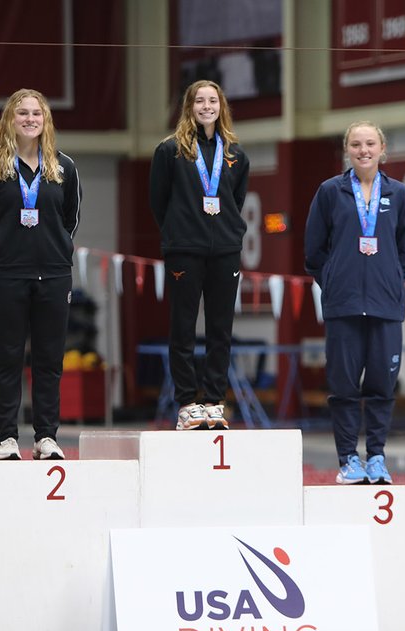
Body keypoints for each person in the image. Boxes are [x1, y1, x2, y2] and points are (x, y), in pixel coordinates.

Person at [0, 88, 82, 460]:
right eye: (23, 114)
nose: (30, 119)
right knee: (9, 358)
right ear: (10, 121)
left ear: (46, 120)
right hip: (7, 276)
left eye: (37, 113)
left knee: (49, 359)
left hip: (54, 275)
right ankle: (7, 438)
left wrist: (58, 251)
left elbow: (71, 219)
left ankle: (46, 437)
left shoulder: (64, 168)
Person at [304, 121, 405, 485]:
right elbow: (313, 251)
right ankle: (349, 458)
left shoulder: (399, 194)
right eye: (356, 144)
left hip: (385, 306)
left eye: (370, 143)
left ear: (383, 148)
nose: (363, 150)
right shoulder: (330, 192)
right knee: (345, 385)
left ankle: (377, 456)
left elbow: (403, 250)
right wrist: (335, 283)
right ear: (346, 150)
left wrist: (395, 285)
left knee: (383, 384)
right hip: (344, 305)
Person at [149, 80, 251, 430]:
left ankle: (213, 401)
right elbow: (158, 201)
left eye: (212, 100)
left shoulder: (235, 154)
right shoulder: (170, 151)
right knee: (184, 328)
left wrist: (225, 232)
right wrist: (181, 230)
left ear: (221, 106)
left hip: (225, 250)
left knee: (221, 329)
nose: (206, 106)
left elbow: (236, 202)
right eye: (199, 100)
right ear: (188, 106)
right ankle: (187, 402)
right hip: (185, 251)